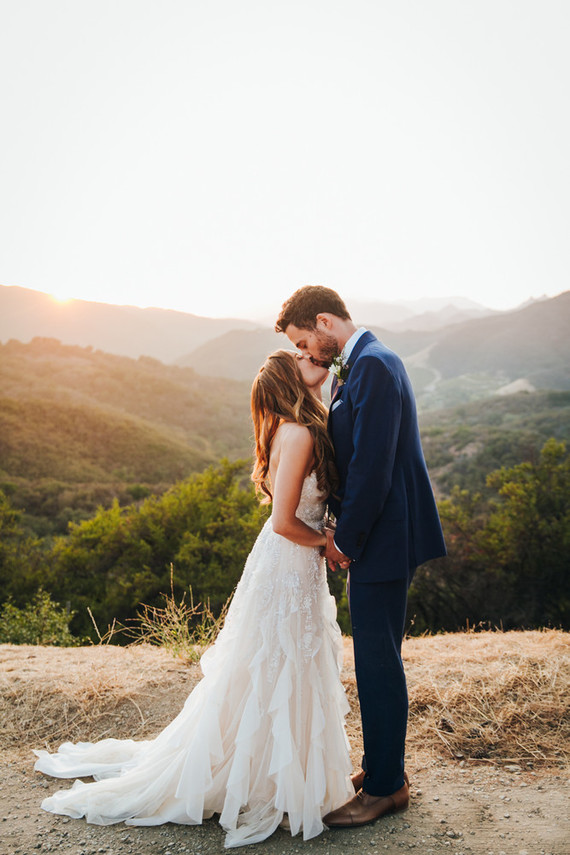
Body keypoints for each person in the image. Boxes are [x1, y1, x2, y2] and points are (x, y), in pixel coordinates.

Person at [34, 350, 354, 847]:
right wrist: (327, 543)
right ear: (290, 382)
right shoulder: (299, 433)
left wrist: (324, 535)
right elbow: (284, 521)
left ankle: (283, 777)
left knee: (285, 664)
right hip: (288, 561)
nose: (309, 356)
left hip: (293, 563)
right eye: (298, 357)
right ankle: (267, 782)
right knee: (278, 663)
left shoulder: (300, 426)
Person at [276, 286, 446, 828]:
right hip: (382, 533)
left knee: (376, 662)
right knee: (378, 655)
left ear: (325, 321)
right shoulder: (364, 365)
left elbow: (373, 468)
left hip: (382, 537)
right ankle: (381, 768)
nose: (308, 353)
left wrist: (344, 540)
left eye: (306, 340)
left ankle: (386, 788)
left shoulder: (373, 365)